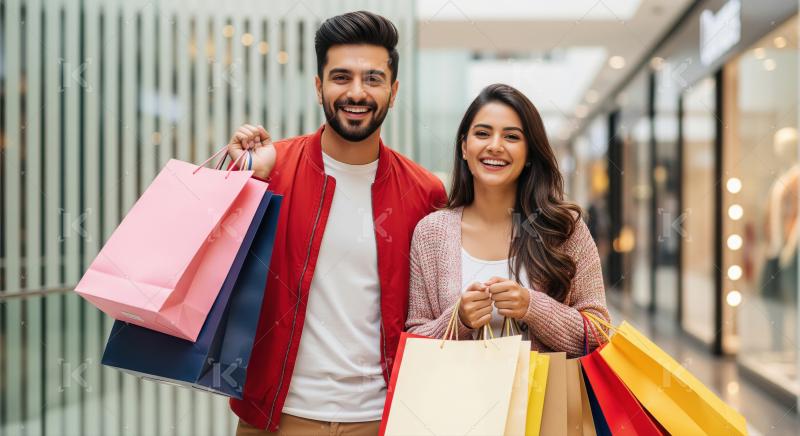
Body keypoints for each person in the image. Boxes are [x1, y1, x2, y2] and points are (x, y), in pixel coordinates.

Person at [225, 11, 446, 435]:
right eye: (341, 77)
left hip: (382, 419)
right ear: (318, 86)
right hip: (275, 417)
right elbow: (211, 265)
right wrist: (242, 179)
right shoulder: (273, 170)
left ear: (393, 91)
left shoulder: (425, 193)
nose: (357, 92)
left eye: (373, 79)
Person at [406, 84, 610, 356]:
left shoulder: (563, 229)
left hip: (546, 398)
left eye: (511, 137)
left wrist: (532, 307)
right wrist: (459, 320)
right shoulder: (430, 233)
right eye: (482, 134)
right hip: (457, 398)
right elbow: (414, 343)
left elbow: (598, 334)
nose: (495, 146)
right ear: (464, 147)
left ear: (529, 154)